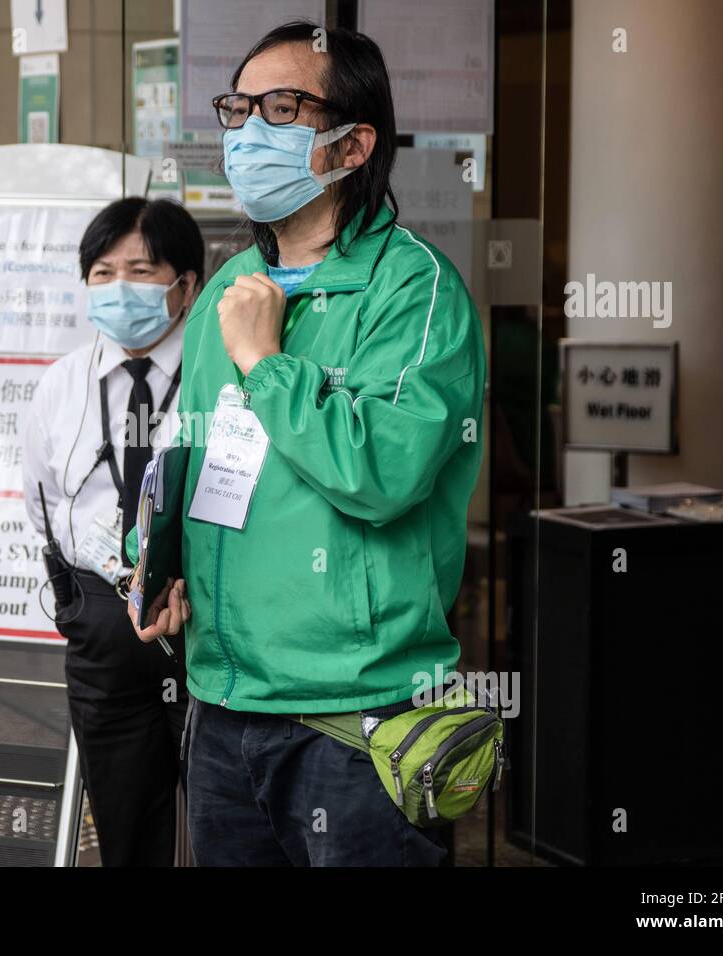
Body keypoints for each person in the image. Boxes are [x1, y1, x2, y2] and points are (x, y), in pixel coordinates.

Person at [126, 21, 487, 867]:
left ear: (354, 142)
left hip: (356, 723)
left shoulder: (413, 288)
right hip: (223, 705)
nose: (249, 132)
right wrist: (155, 559)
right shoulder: (228, 286)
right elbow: (194, 455)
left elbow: (383, 472)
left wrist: (267, 362)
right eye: (238, 109)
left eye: (281, 108)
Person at [23, 196, 203, 866]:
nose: (118, 287)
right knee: (126, 822)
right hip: (102, 621)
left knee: (229, 818)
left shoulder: (224, 377)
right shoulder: (62, 385)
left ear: (187, 284)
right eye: (102, 273)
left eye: (140, 271)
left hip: (205, 620)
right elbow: (40, 502)